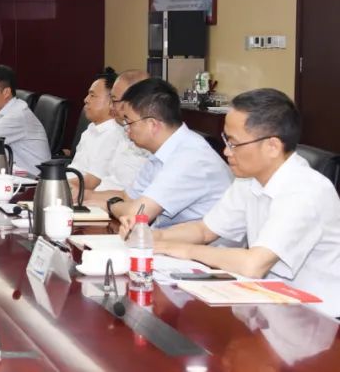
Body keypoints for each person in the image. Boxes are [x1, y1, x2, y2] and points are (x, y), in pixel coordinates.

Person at [133, 89, 340, 317]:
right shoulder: (249, 179)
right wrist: (154, 237)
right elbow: (204, 231)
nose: (226, 151)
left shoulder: (305, 190)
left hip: (320, 319)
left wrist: (181, 250)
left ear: (272, 146)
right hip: (273, 305)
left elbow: (253, 264)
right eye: (226, 141)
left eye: (234, 143)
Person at [105, 78, 232, 227]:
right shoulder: (163, 151)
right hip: (166, 237)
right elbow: (128, 198)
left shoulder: (190, 157)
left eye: (129, 122)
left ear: (152, 124)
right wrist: (87, 198)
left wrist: (111, 204)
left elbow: (137, 214)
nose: (126, 128)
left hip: (195, 241)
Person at [82, 69, 151, 204]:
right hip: (103, 201)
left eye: (114, 100)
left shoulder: (150, 142)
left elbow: (133, 199)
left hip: (116, 207)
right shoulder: (125, 130)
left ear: (135, 101)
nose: (111, 106)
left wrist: (86, 196)